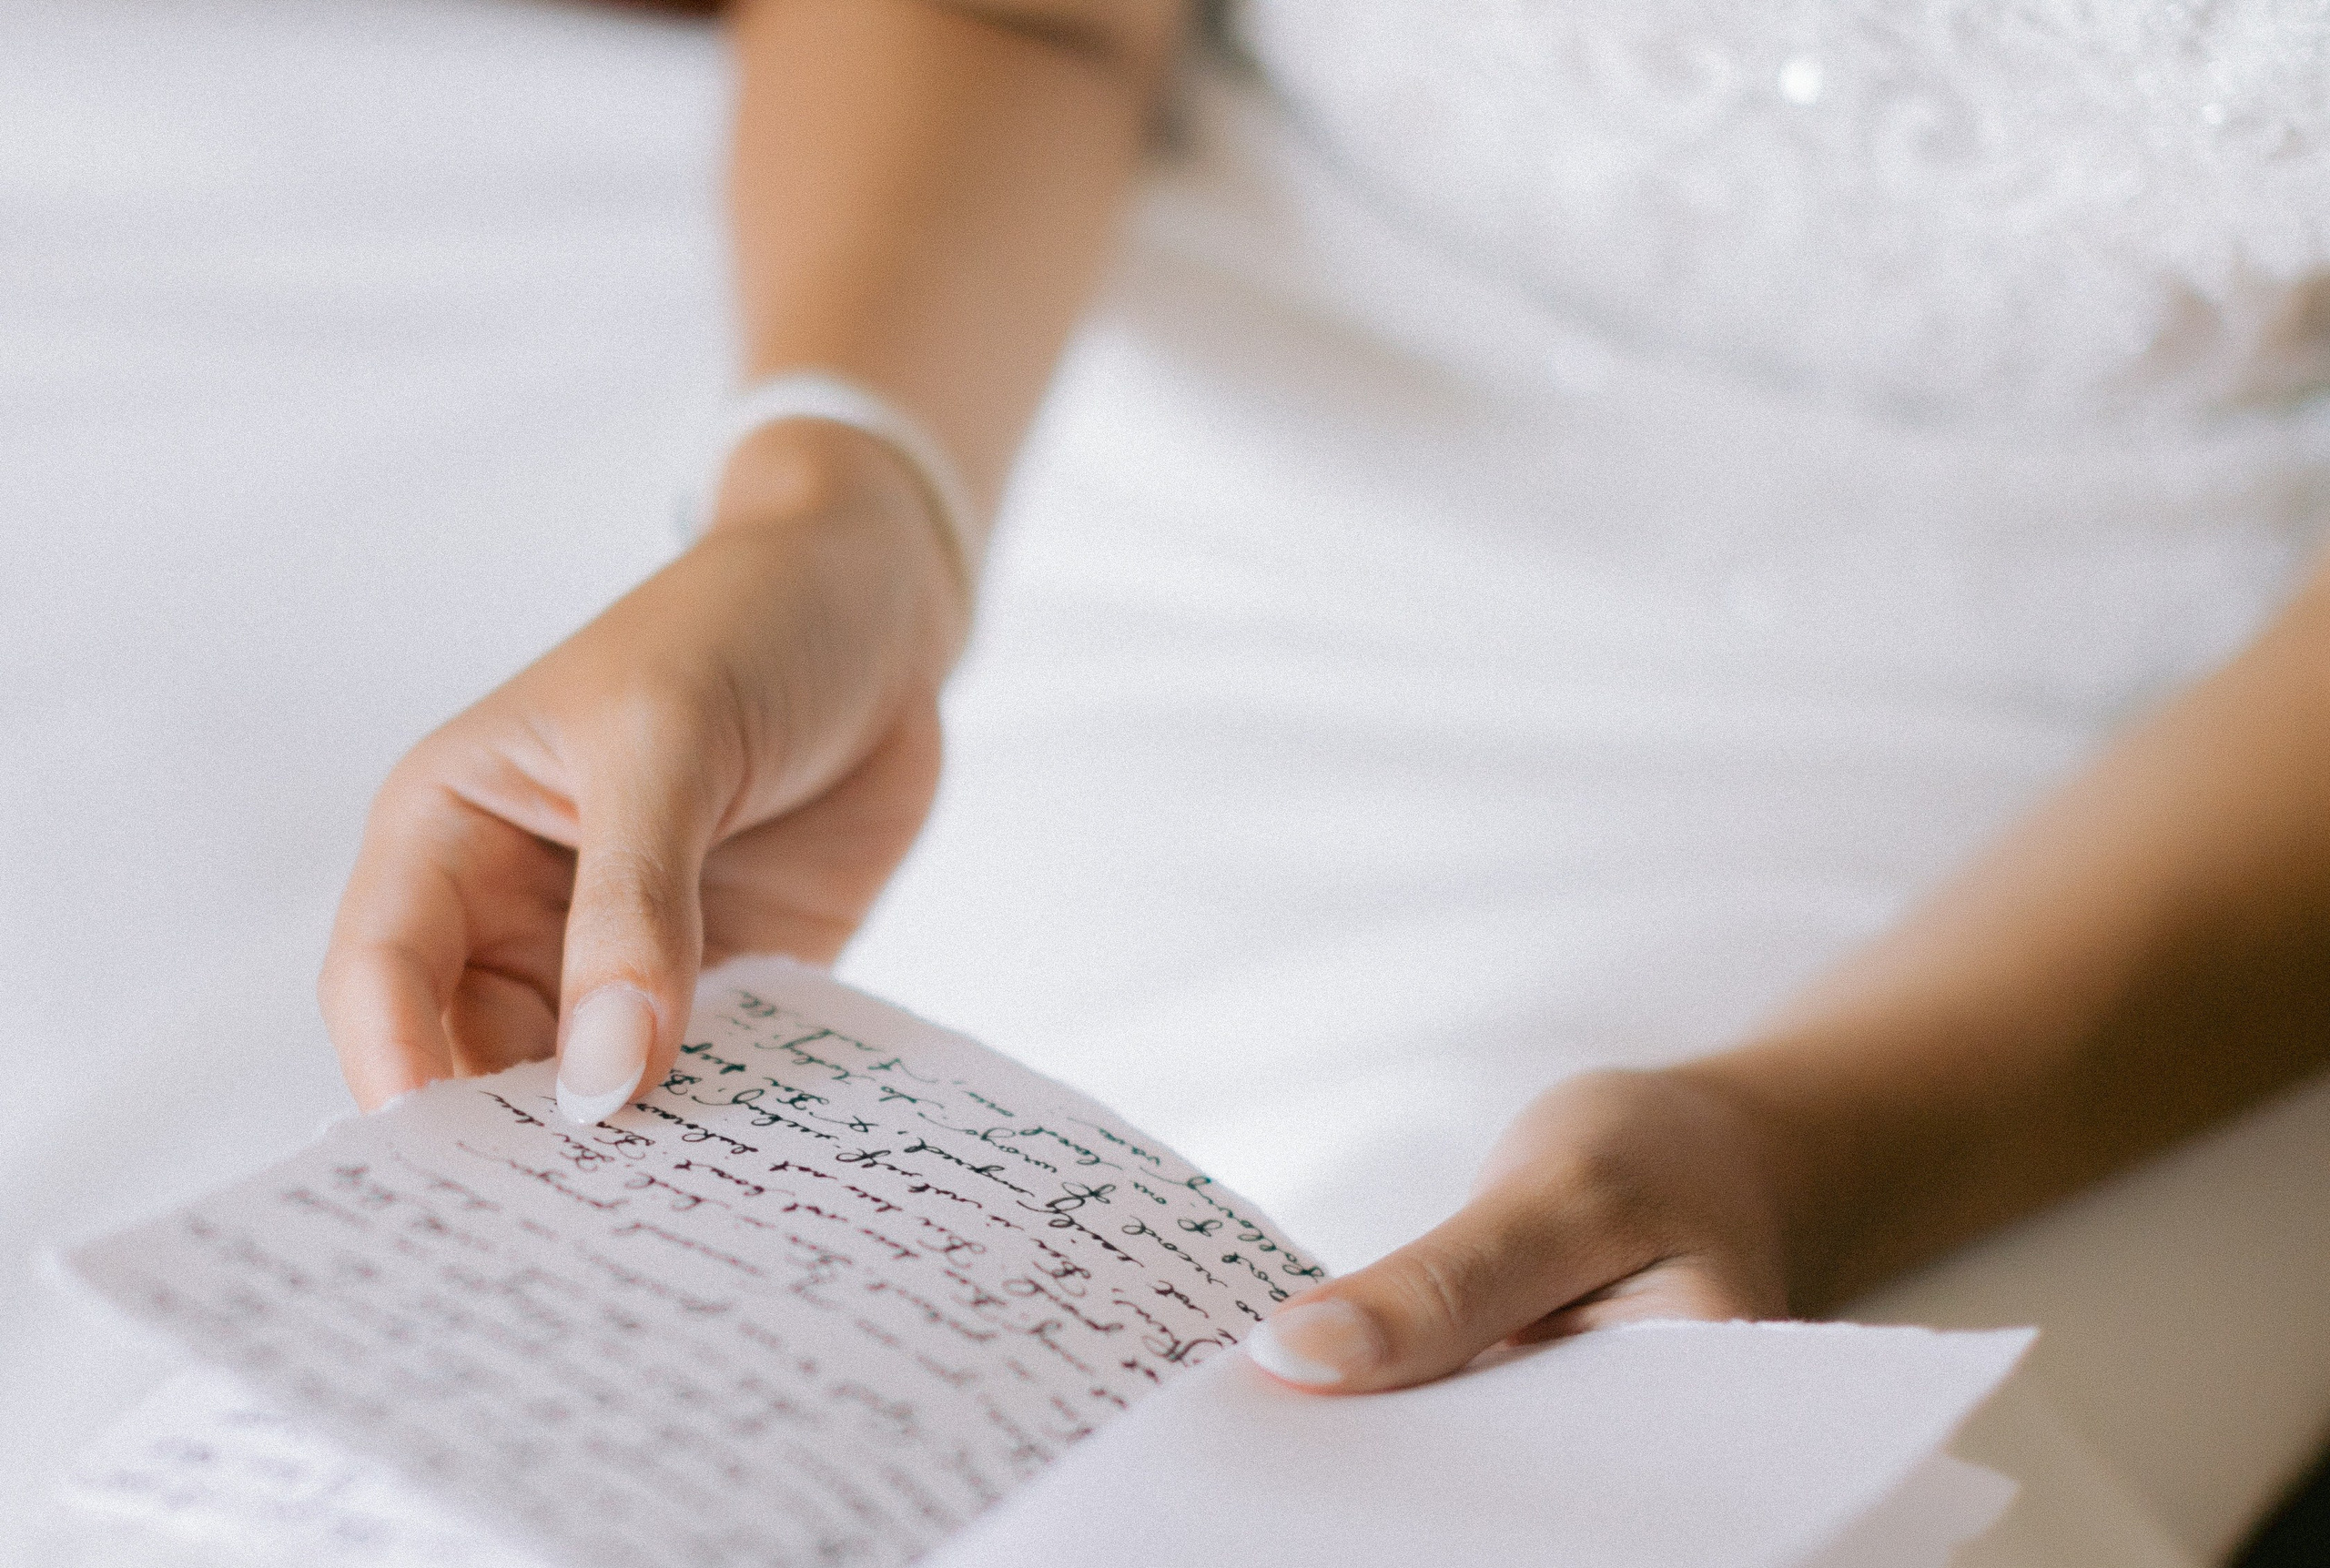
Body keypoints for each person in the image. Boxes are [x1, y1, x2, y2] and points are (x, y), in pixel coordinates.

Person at [318, 0, 2330, 1406]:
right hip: (1102, 383)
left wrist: (1804, 1147)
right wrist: (841, 510)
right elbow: (1018, 15)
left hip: (2106, 791)